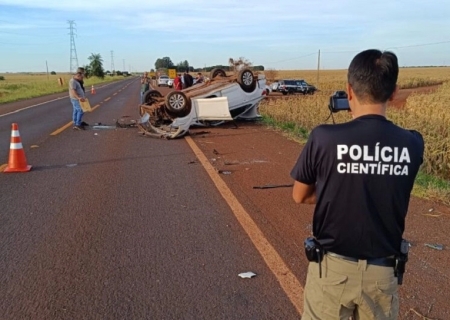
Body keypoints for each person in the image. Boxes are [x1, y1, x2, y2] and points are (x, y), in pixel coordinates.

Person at [290, 49, 424, 320]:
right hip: (383, 274)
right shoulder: (412, 143)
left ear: (348, 91)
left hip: (332, 271)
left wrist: (338, 186)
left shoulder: (323, 138)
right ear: (394, 92)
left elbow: (300, 196)